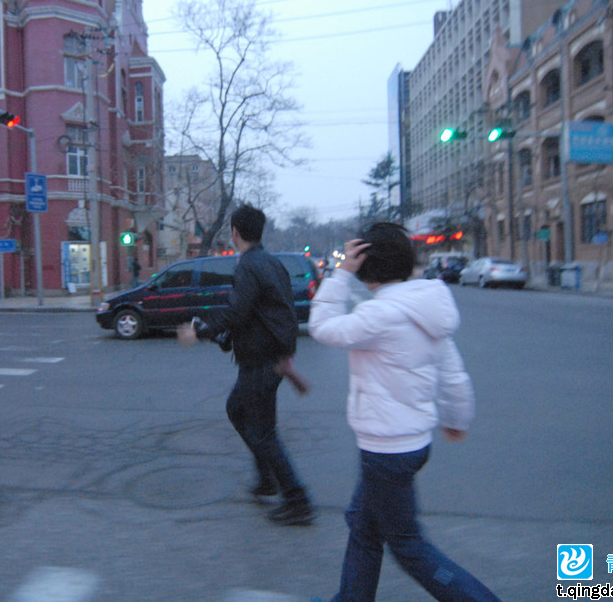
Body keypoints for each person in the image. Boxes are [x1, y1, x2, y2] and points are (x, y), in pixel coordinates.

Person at [309, 223, 500, 602]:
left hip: (386, 450)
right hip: (410, 443)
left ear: (367, 266)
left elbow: (321, 326)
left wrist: (341, 272)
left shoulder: (379, 315)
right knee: (364, 526)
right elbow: (453, 374)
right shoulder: (424, 307)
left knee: (408, 545)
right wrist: (456, 420)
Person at [177, 204, 315, 526]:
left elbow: (236, 312)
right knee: (237, 411)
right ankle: (266, 478)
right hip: (269, 357)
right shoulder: (273, 264)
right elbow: (268, 312)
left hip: (262, 361)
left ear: (235, 233)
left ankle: (297, 500)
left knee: (263, 432)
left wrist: (198, 330)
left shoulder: (249, 266)